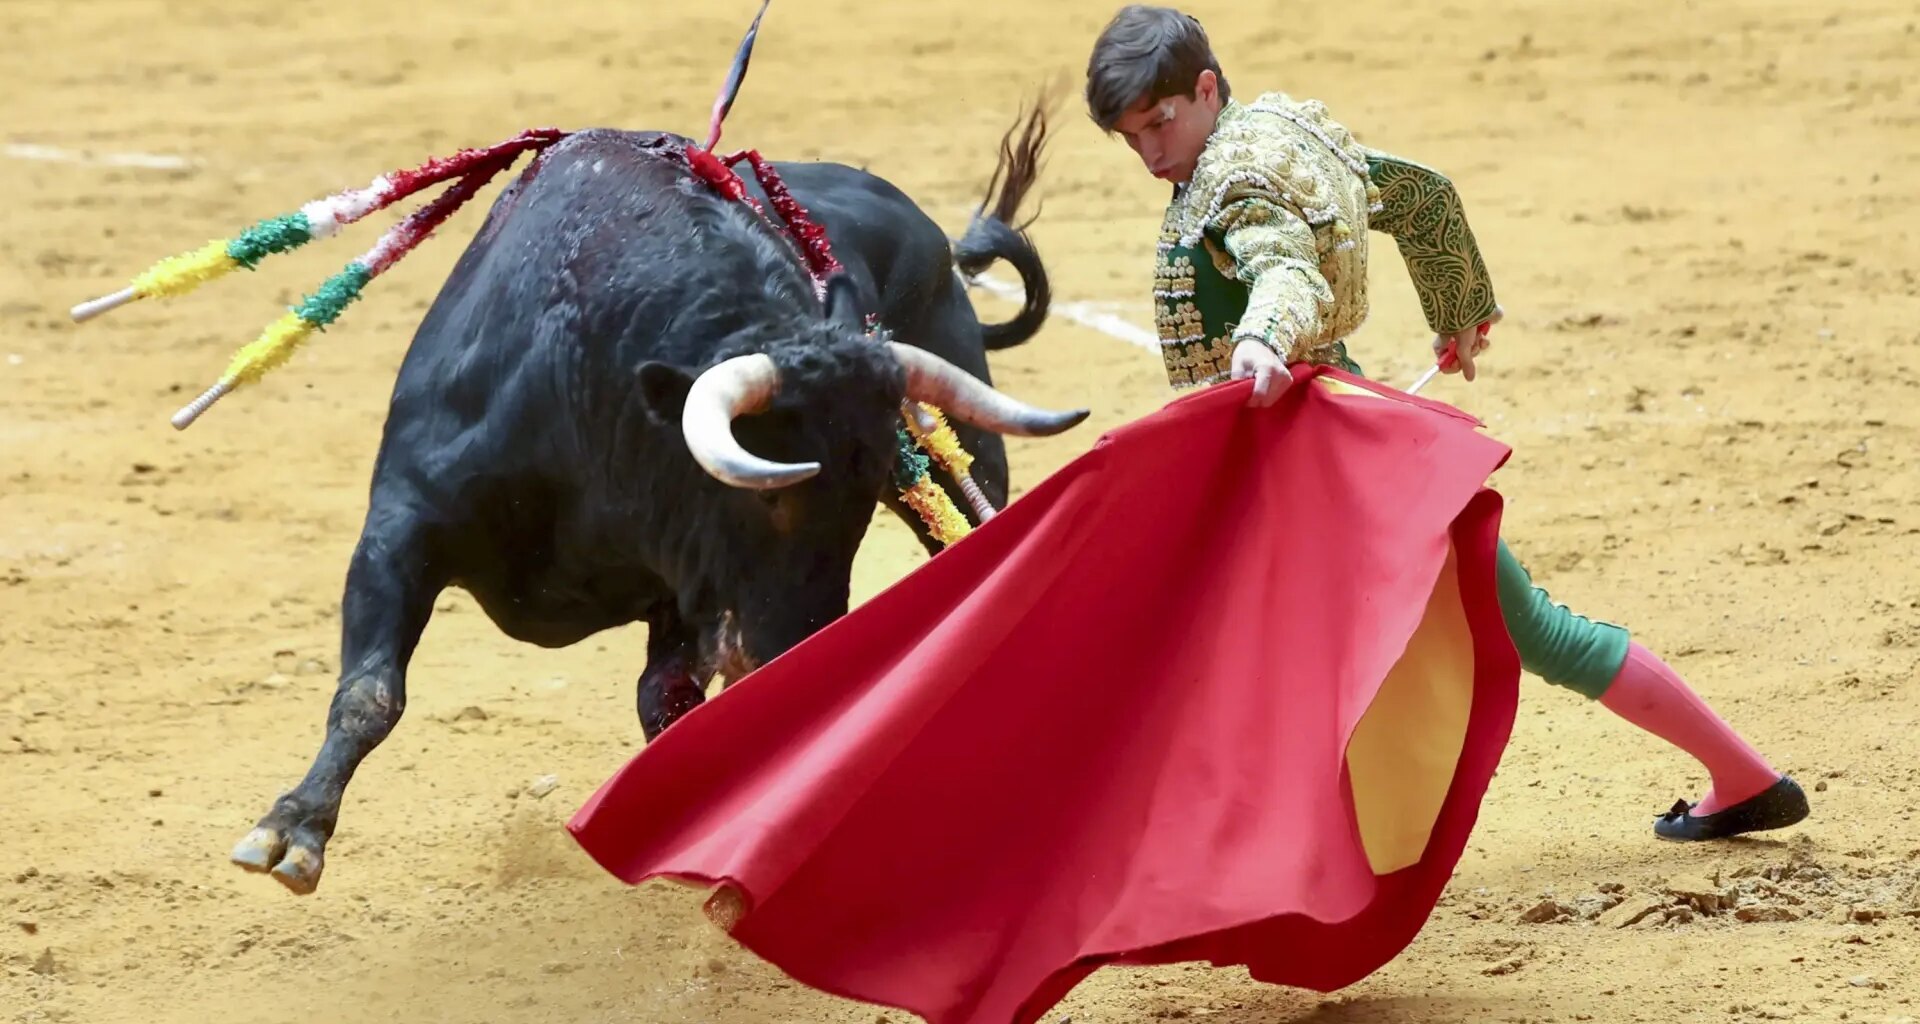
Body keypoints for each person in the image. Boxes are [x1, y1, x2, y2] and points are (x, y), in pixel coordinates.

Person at [1085, 4, 1808, 840]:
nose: (1147, 153)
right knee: (1516, 626)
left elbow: (1284, 269)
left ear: (1205, 89)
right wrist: (1459, 304)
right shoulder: (1274, 134)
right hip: (1334, 438)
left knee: (1244, 649)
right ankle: (1742, 773)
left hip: (1304, 457)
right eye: (1130, 137)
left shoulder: (1241, 180)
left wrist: (1259, 334)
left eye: (1158, 124)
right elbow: (1419, 198)